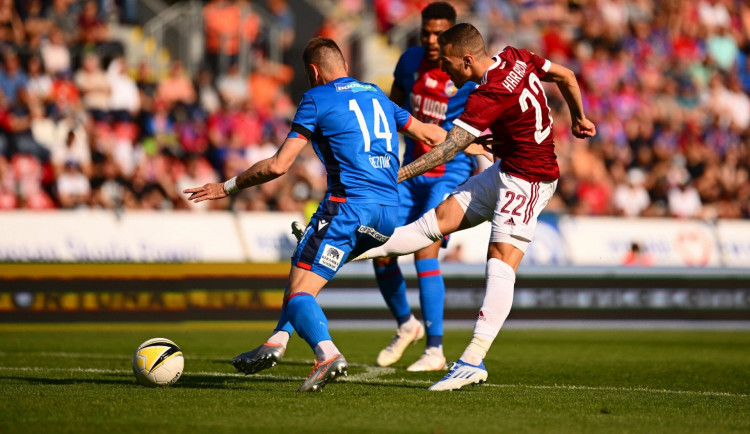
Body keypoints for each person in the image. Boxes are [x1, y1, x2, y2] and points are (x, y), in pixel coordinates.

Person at [184, 37, 447, 392]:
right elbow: (428, 132)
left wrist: (226, 187)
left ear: (313, 71)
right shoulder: (376, 94)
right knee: (303, 275)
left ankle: (326, 354)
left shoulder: (316, 97)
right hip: (388, 212)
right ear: (345, 66)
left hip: (348, 207)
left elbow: (278, 165)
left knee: (298, 294)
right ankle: (276, 341)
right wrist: (475, 140)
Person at [354, 23, 596, 391]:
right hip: (505, 169)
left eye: (449, 63)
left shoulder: (486, 95)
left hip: (530, 179)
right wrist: (579, 116)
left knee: (499, 258)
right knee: (432, 223)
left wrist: (395, 177)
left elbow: (448, 150)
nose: (446, 71)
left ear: (467, 60)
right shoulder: (516, 56)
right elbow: (566, 74)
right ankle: (346, 251)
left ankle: (472, 360)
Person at [372, 2, 480, 372]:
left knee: (424, 251)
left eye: (439, 34)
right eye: (426, 32)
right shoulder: (408, 62)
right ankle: (407, 325)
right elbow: (393, 110)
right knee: (380, 249)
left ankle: (435, 350)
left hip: (450, 172)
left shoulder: (467, 73)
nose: (432, 40)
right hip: (411, 170)